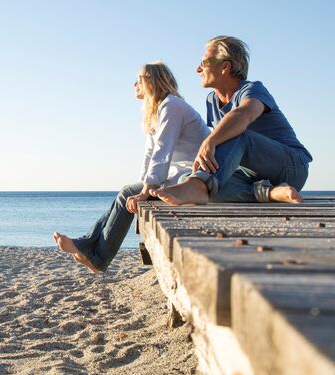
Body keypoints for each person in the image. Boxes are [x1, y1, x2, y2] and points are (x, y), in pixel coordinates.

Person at [54, 62, 210, 273]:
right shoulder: (158, 110)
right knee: (129, 191)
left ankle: (97, 258)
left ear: (153, 81)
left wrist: (144, 191)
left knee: (128, 192)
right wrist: (142, 188)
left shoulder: (171, 106)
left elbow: (162, 152)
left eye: (139, 78)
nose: (134, 83)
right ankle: (88, 247)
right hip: (177, 174)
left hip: (192, 177)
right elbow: (149, 156)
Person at [150, 36, 312, 205]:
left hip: (292, 166)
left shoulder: (253, 89)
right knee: (189, 178)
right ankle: (270, 193)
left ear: (225, 66)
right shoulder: (212, 100)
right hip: (253, 174)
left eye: (204, 63)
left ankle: (198, 186)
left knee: (235, 134)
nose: (198, 69)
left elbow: (244, 115)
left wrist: (210, 140)